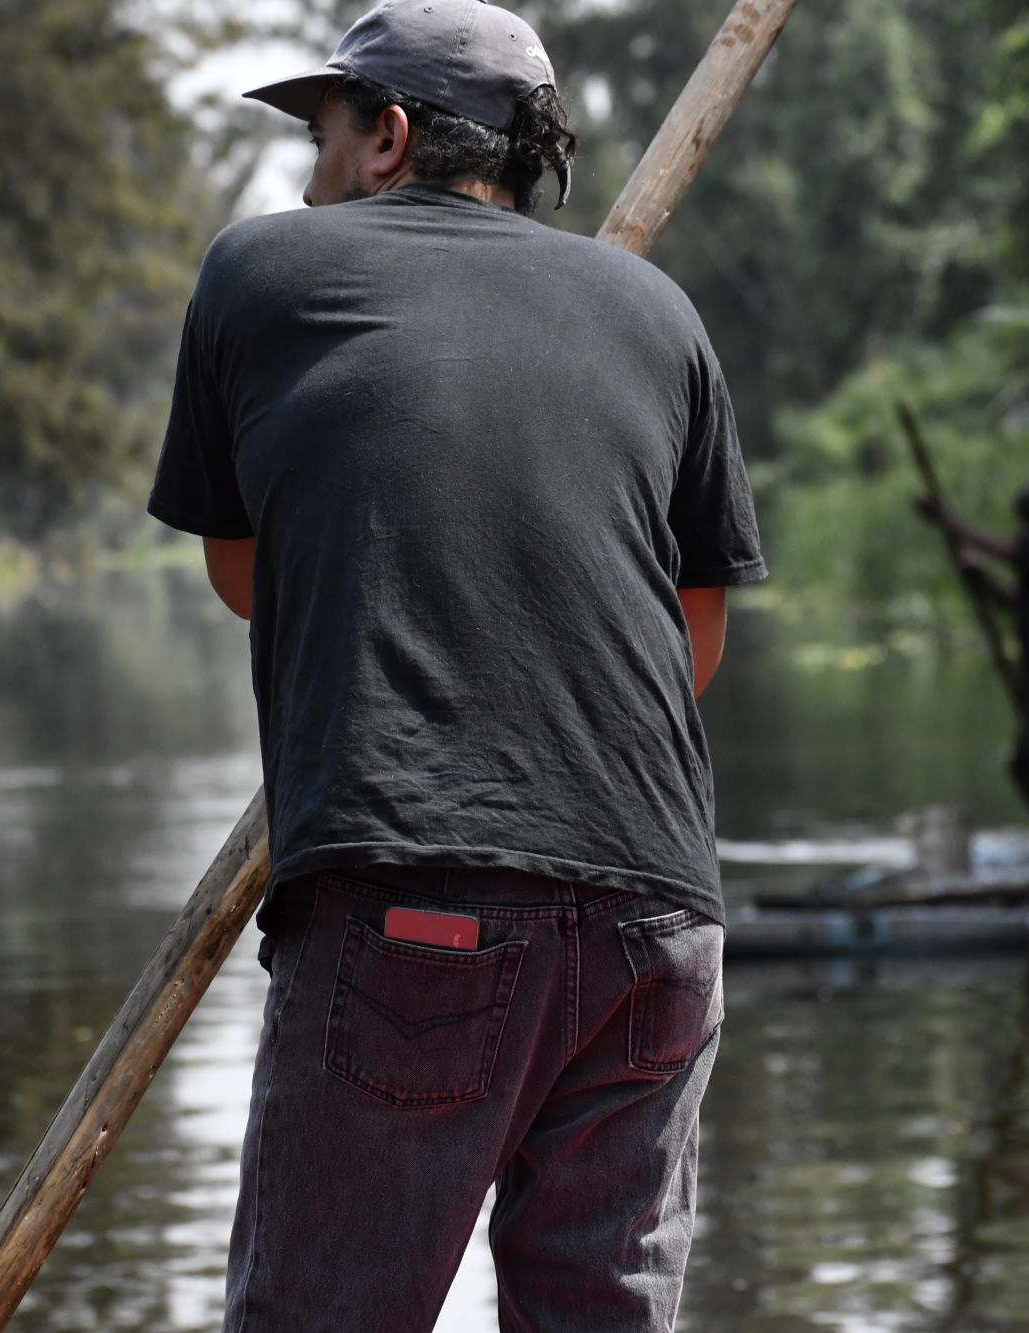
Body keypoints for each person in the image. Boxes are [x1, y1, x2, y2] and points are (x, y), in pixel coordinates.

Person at [144, 2, 767, 1328]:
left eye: (320, 136)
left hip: (418, 903)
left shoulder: (265, 275)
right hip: (662, 920)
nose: (306, 176)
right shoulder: (657, 311)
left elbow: (247, 574)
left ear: (390, 136)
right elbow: (690, 638)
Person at [918, 483, 1029, 874]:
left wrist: (947, 523)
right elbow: (1018, 605)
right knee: (1028, 763)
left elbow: (1010, 551)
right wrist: (978, 576)